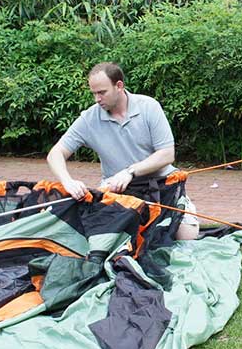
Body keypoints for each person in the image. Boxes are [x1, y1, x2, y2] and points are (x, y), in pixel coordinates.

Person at [47, 62, 199, 240]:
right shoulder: (89, 118)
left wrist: (130, 172)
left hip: (164, 186)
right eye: (94, 93)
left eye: (102, 92)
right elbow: (55, 154)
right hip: (117, 193)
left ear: (119, 86)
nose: (97, 99)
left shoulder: (149, 107)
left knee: (186, 237)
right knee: (105, 240)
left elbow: (166, 154)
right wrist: (68, 182)